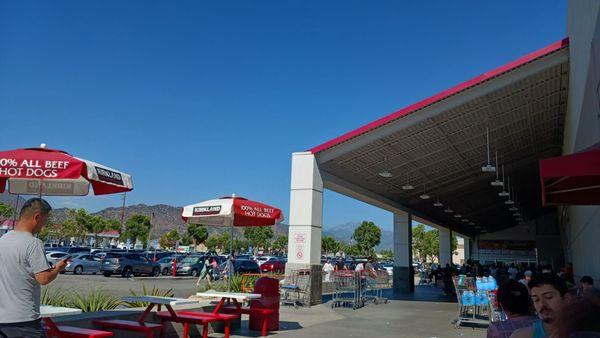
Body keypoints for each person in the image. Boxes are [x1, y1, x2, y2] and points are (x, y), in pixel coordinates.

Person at [0, 198, 68, 338]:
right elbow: (43, 278)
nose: (43, 226)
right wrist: (58, 268)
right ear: (37, 217)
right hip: (25, 321)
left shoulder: (3, 241)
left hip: (3, 320)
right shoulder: (33, 243)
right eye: (45, 220)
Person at [510, 273, 568, 338]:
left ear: (566, 298)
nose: (542, 304)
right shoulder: (521, 335)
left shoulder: (579, 331)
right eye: (536, 300)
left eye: (548, 297)